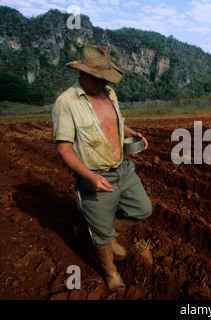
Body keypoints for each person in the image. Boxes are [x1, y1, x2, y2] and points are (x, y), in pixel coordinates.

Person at [52, 45, 153, 292]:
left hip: (123, 168)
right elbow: (64, 148)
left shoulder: (109, 93)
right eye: (96, 77)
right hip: (94, 175)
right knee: (100, 234)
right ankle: (110, 272)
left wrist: (132, 132)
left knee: (142, 208)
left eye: (104, 77)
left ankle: (110, 235)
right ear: (82, 73)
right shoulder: (66, 103)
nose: (101, 81)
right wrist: (89, 176)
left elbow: (115, 122)